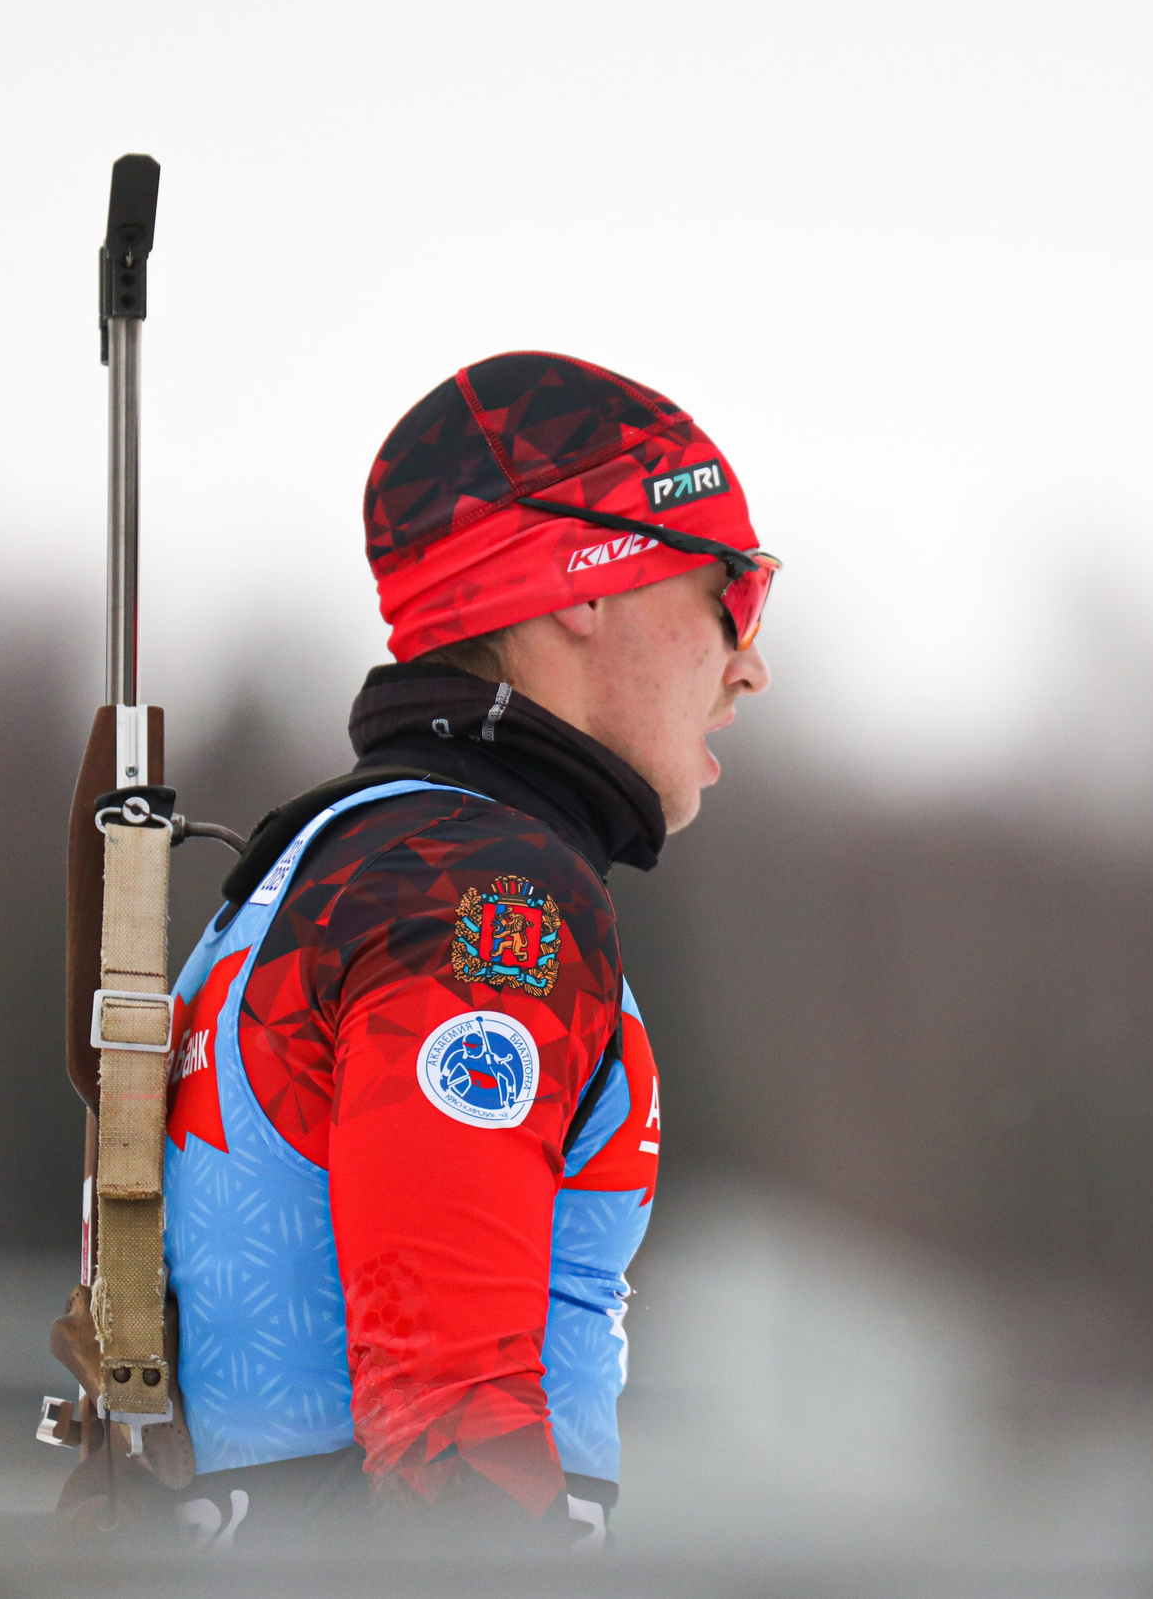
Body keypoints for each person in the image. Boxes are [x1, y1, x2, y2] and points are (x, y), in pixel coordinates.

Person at [79, 351, 773, 1546]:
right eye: (730, 590)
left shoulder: (347, 853)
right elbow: (447, 1421)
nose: (748, 662)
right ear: (582, 588)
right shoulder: (476, 893)